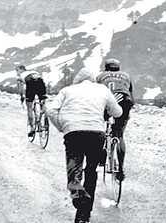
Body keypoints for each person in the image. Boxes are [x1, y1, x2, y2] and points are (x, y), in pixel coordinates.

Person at [47, 68, 122, 223]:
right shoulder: (102, 89)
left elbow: (51, 110)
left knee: (74, 168)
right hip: (96, 133)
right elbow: (117, 113)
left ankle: (77, 193)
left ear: (77, 79)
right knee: (91, 170)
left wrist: (62, 126)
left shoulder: (67, 90)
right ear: (92, 79)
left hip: (73, 132)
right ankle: (84, 215)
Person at [96, 58, 135, 181]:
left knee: (98, 127)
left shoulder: (100, 76)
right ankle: (121, 170)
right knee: (119, 135)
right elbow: (130, 93)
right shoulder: (126, 76)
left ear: (106, 67)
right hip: (125, 101)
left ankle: (101, 153)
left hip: (107, 100)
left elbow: (95, 94)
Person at [15, 65, 47, 137]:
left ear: (21, 69)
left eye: (17, 70)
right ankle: (43, 119)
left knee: (29, 107)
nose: (17, 73)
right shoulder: (34, 71)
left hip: (30, 83)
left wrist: (22, 97)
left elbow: (21, 88)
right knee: (42, 102)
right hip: (40, 82)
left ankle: (32, 129)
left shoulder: (21, 76)